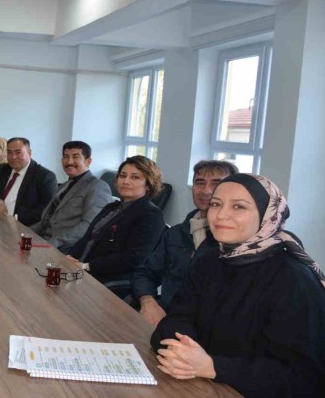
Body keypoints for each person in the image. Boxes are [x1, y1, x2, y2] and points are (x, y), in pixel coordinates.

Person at [152, 174, 325, 397]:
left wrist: (213, 366)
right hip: (199, 384)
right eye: (216, 204)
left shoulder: (294, 279)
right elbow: (177, 317)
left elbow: (303, 378)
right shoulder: (210, 259)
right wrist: (183, 350)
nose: (221, 215)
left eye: (239, 207)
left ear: (267, 214)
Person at [133, 160, 237, 325]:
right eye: (199, 183)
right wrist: (148, 301)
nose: (206, 190)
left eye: (216, 183)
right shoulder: (175, 234)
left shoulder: (238, 240)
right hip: (168, 319)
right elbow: (146, 273)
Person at [60, 155, 165, 296]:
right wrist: (70, 256)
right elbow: (88, 238)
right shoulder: (112, 207)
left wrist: (87, 266)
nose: (126, 181)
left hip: (110, 280)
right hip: (82, 271)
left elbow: (135, 257)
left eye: (135, 177)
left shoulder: (151, 214)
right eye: (122, 175)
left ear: (148, 184)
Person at [31, 141, 113, 248]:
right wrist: (25, 234)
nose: (69, 162)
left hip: (66, 249)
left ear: (88, 161)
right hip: (43, 242)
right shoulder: (64, 185)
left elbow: (90, 225)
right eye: (66, 157)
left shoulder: (97, 186)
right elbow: (45, 221)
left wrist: (54, 243)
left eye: (75, 157)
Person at [0, 137, 56, 226]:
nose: (13, 157)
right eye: (9, 152)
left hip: (23, 226)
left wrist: (14, 219)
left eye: (18, 152)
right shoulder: (3, 169)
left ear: (29, 153)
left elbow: (47, 209)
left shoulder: (44, 176)